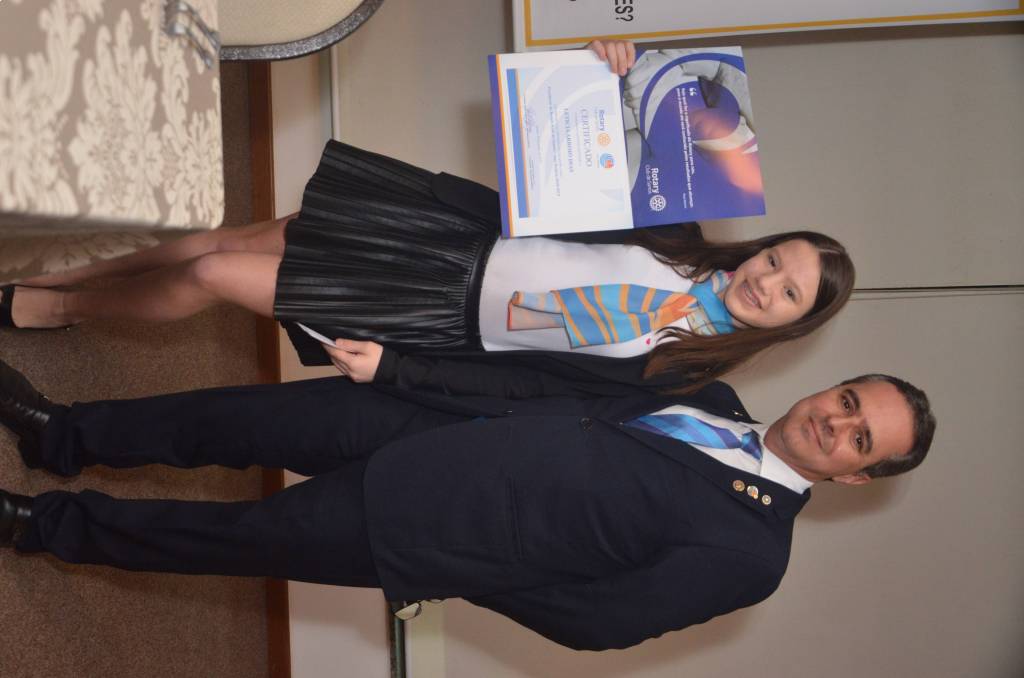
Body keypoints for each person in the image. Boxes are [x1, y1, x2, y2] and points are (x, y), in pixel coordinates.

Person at [0, 41, 854, 392]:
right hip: (443, 235)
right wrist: (610, 68)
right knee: (225, 241)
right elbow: (590, 142)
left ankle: (67, 306)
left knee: (214, 275)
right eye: (778, 261)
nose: (766, 282)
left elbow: (532, 393)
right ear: (765, 245)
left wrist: (404, 374)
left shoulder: (680, 375)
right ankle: (65, 276)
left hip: (434, 317)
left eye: (788, 294)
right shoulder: (679, 229)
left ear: (791, 324)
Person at [0, 350, 935, 651]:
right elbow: (559, 391)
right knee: (229, 419)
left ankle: (43, 527)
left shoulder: (752, 555)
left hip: (422, 528)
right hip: (419, 421)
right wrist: (410, 375)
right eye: (850, 401)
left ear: (856, 478)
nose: (836, 423)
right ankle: (62, 432)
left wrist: (465, 566)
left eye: (860, 441)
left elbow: (600, 623)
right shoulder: (716, 395)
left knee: (221, 537)